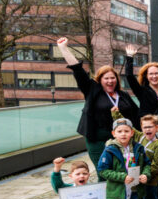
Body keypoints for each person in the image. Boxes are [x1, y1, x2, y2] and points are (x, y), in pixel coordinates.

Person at [58, 37, 138, 168]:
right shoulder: (92, 91)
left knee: (123, 171)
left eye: (113, 78)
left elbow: (135, 114)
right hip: (97, 141)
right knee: (104, 171)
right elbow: (79, 71)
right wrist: (63, 49)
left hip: (122, 140)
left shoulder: (123, 95)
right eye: (106, 78)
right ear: (100, 80)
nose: (110, 81)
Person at [112, 109, 158, 199]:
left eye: (150, 127)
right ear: (141, 128)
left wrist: (146, 176)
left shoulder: (157, 144)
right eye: (145, 127)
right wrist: (116, 114)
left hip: (149, 181)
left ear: (156, 128)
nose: (148, 129)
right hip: (135, 177)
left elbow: (156, 165)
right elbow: (125, 126)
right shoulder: (139, 136)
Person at [125, 46, 158, 117]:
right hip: (149, 126)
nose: (154, 76)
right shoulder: (142, 91)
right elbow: (129, 76)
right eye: (151, 74)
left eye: (156, 73)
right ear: (146, 76)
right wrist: (130, 57)